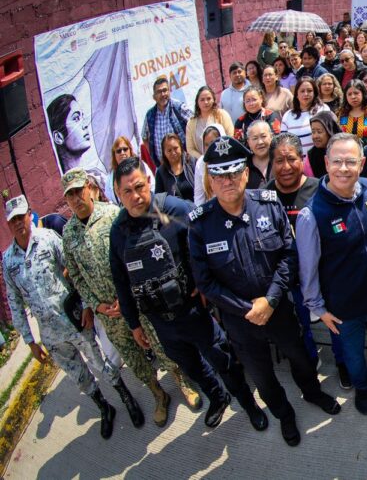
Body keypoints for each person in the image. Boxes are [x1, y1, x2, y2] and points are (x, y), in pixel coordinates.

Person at [189, 137, 341, 446]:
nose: (228, 181)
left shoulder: (269, 205)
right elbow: (205, 282)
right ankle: (284, 414)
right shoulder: (201, 225)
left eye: (234, 173)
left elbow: (288, 255)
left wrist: (270, 300)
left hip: (279, 309)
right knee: (262, 376)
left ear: (246, 173)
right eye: (219, 175)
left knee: (301, 359)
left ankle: (312, 393)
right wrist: (249, 309)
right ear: (210, 181)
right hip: (240, 321)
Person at [108, 158, 265, 431]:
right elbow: (121, 279)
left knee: (223, 359)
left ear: (148, 181)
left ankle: (249, 405)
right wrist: (133, 324)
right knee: (192, 367)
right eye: (127, 191)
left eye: (139, 187)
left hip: (192, 311)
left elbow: (210, 238)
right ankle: (217, 397)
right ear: (117, 194)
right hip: (160, 322)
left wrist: (202, 282)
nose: (135, 196)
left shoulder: (175, 208)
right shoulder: (119, 231)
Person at [60, 169, 196, 428]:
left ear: (89, 188)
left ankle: (182, 382)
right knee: (134, 359)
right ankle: (158, 394)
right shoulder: (68, 235)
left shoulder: (113, 215)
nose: (76, 198)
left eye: (79, 191)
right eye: (70, 195)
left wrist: (127, 295)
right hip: (108, 315)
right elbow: (75, 276)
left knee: (159, 344)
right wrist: (96, 305)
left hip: (134, 300)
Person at [296, 133, 367, 415]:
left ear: (361, 163)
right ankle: (362, 387)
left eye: (350, 161)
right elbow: (307, 269)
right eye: (337, 162)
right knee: (354, 356)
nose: (343, 168)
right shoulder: (312, 214)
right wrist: (319, 309)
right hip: (344, 309)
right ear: (326, 163)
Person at [4, 195, 132, 439]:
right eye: (13, 220)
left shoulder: (48, 239)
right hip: (51, 335)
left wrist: (85, 305)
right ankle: (105, 408)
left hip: (74, 321)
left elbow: (75, 272)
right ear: (8, 224)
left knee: (100, 363)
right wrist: (30, 342)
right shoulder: (8, 261)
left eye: (21, 217)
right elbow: (14, 303)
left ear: (29, 215)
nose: (18, 223)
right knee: (79, 376)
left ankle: (126, 397)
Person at [263, 133, 332, 374]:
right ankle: (311, 359)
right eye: (279, 161)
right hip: (289, 280)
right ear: (271, 163)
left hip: (323, 273)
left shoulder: (320, 189)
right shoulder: (264, 196)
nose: (285, 167)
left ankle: (343, 363)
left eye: (291, 159)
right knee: (302, 325)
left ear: (302, 159)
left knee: (335, 323)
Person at [142, 77, 192, 168]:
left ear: (169, 92)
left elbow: (194, 126)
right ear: (154, 97)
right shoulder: (150, 115)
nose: (163, 94)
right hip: (163, 167)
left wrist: (190, 151)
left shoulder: (178, 108)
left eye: (165, 90)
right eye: (159, 92)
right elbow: (144, 137)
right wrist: (154, 157)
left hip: (184, 163)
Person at [46, 94, 99, 174]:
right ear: (58, 137)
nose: (85, 125)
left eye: (82, 118)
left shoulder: (97, 176)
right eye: (76, 118)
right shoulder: (60, 180)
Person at [281, 78, 328, 155]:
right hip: (297, 160)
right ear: (296, 94)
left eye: (309, 91)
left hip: (320, 158)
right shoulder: (287, 115)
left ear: (314, 93)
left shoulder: (323, 109)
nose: (306, 94)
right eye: (302, 91)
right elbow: (284, 142)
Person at [186, 86, 234, 160]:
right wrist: (204, 159)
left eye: (208, 99)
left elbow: (231, 136)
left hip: (224, 158)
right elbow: (190, 148)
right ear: (197, 102)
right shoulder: (191, 123)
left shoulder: (222, 115)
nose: (206, 102)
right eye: (202, 100)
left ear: (213, 99)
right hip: (203, 162)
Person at [105, 136, 155, 205]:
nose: (122, 153)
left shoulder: (140, 165)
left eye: (125, 149)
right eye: (119, 151)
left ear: (130, 150)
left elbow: (152, 186)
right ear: (114, 155)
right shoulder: (110, 176)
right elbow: (110, 198)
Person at [154, 134, 196, 202]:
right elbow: (159, 201)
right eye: (169, 150)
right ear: (164, 153)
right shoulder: (160, 173)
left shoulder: (192, 162)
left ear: (181, 147)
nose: (173, 153)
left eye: (175, 148)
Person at [304, 111, 342, 179]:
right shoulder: (311, 156)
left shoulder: (346, 151)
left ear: (330, 131)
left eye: (319, 132)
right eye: (313, 132)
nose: (315, 136)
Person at [193, 126, 223, 206]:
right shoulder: (201, 163)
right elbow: (199, 196)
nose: (210, 147)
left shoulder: (230, 159)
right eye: (206, 144)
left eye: (213, 143)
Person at [244, 121, 274, 189]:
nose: (260, 142)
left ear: (271, 137)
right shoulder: (244, 167)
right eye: (255, 138)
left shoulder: (279, 160)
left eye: (263, 136)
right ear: (248, 142)